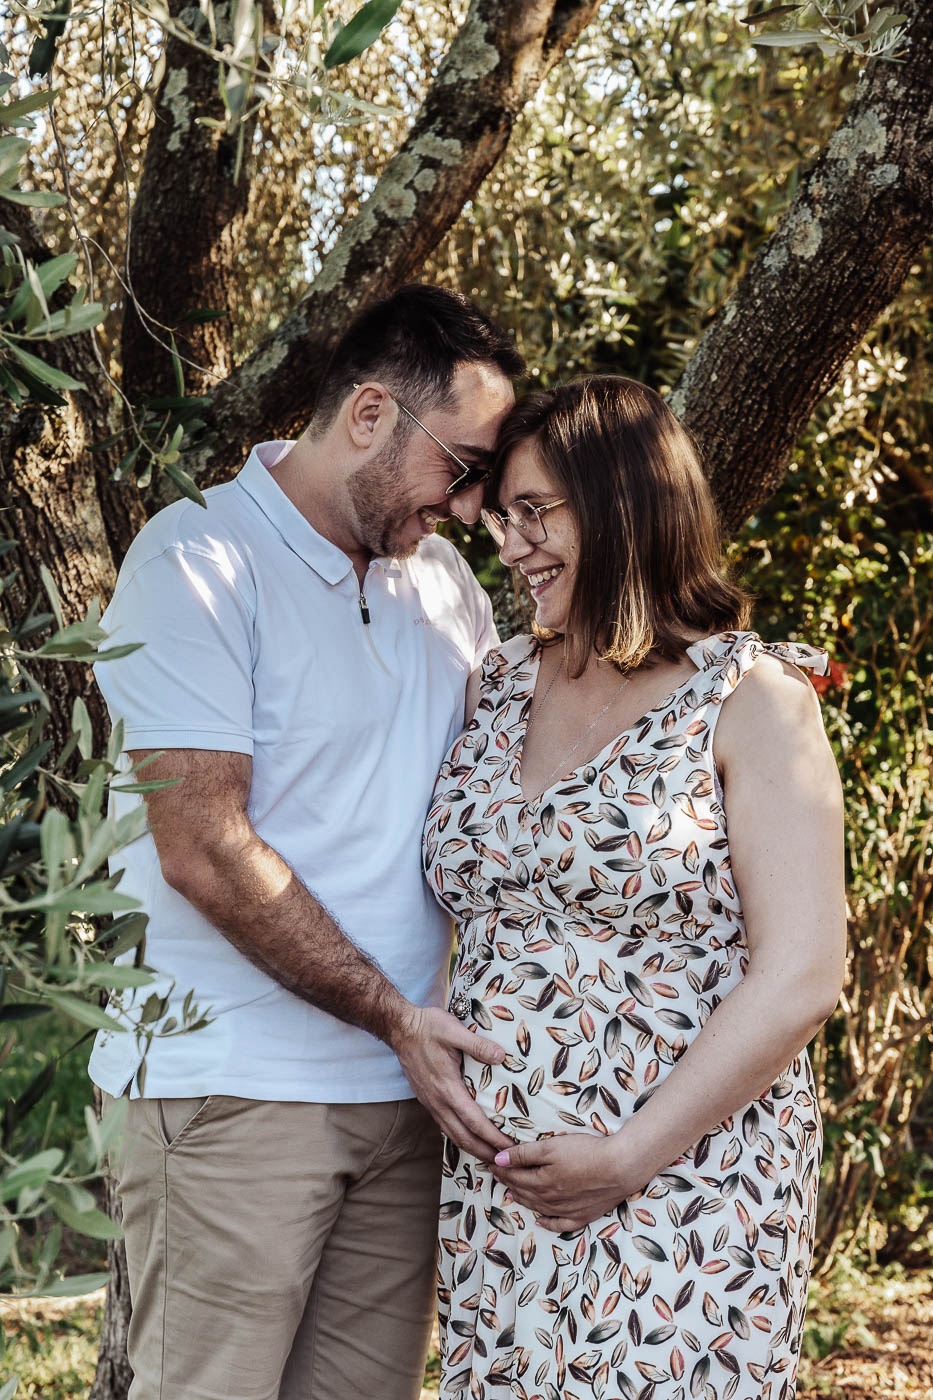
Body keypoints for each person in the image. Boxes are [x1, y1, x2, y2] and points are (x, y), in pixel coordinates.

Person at [88, 284, 524, 1400]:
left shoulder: (444, 583)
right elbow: (202, 844)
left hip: (405, 1099)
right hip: (233, 1086)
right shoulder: (196, 560)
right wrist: (395, 1015)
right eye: (464, 467)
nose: (474, 506)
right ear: (371, 415)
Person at [424, 376, 846, 1400]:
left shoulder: (753, 700)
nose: (510, 543)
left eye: (536, 513)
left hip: (686, 1186)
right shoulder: (497, 680)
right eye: (502, 516)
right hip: (505, 1190)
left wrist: (627, 1153)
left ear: (622, 506)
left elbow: (803, 973)